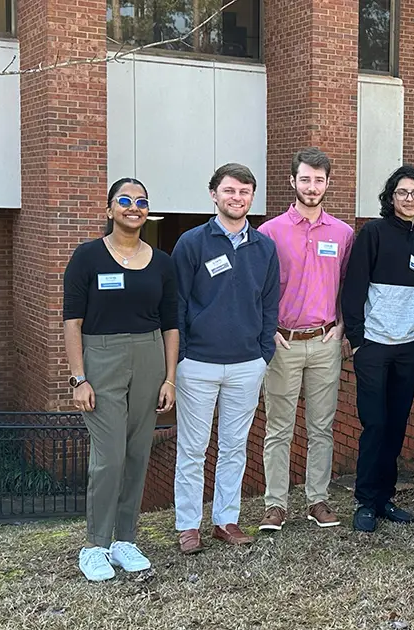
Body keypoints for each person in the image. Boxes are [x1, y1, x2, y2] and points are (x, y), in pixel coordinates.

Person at [63, 177, 179, 582]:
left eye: (142, 201)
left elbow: (170, 325)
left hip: (149, 356)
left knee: (136, 454)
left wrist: (170, 379)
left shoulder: (163, 262)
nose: (134, 207)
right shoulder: (87, 257)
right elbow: (72, 321)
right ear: (110, 209)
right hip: (101, 357)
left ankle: (125, 540)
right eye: (125, 200)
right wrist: (79, 378)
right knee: (108, 457)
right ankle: (94, 544)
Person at [171, 163, 280, 553]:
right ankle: (188, 525)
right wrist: (181, 356)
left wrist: (263, 352)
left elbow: (270, 305)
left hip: (247, 363)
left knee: (235, 446)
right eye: (230, 191)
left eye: (245, 191)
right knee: (192, 448)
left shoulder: (264, 246)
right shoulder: (191, 243)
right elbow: (178, 303)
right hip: (197, 363)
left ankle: (225, 520)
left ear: (252, 197)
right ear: (214, 194)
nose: (237, 198)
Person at [257, 148, 355, 531]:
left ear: (328, 183)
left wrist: (343, 326)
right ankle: (275, 505)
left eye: (319, 180)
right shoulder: (270, 232)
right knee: (279, 428)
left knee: (322, 427)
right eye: (305, 179)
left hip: (326, 340)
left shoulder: (343, 233)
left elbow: (349, 284)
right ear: (292, 181)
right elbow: (259, 290)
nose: (312, 187)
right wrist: (268, 331)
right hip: (283, 342)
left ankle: (318, 499)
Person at [342, 165, 414, 533]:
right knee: (374, 423)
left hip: (409, 346)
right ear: (390, 197)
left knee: (396, 425)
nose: (409, 199)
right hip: (375, 347)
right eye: (402, 192)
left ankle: (385, 498)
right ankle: (365, 500)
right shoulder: (373, 233)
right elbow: (354, 286)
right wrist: (358, 339)